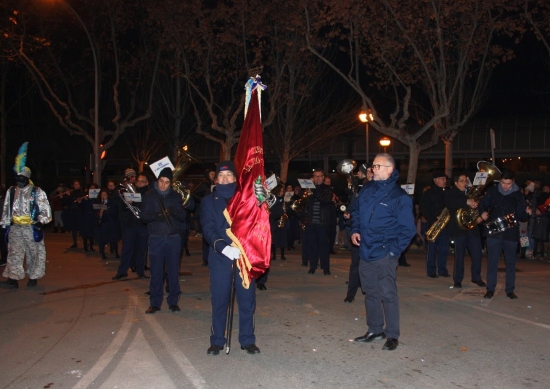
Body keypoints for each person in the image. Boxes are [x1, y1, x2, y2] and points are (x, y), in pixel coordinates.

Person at [350, 153, 415, 351]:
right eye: (373, 166)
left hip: (385, 253)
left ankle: (392, 334)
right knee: (370, 292)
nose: (372, 169)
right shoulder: (367, 189)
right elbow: (357, 212)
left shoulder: (399, 197)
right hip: (366, 251)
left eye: (377, 166)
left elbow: (408, 230)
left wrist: (393, 252)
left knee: (388, 294)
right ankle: (375, 329)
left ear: (389, 169)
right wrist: (355, 230)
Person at [200, 161, 260, 355]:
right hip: (220, 257)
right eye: (221, 176)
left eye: (229, 176)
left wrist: (266, 200)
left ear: (236, 178)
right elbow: (208, 228)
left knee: (246, 300)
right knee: (219, 301)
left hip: (244, 257)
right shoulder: (208, 201)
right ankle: (217, 340)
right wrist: (223, 247)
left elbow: (259, 224)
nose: (225, 179)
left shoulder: (246, 199)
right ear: (216, 179)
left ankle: (247, 339)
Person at [141, 167, 187, 313]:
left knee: (173, 272)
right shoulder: (150, 195)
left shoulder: (175, 196)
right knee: (156, 273)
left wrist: (174, 212)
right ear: (157, 180)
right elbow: (143, 217)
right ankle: (155, 303)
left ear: (170, 183)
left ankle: (173, 301)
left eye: (166, 182)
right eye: (161, 181)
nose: (163, 185)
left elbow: (183, 217)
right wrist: (156, 216)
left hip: (173, 238)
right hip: (156, 238)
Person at [478, 170, 530, 299]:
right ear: (500, 181)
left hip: (510, 232)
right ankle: (490, 289)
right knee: (492, 262)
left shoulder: (518, 195)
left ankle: (510, 290)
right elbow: (483, 204)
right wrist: (483, 212)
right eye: (503, 183)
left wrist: (526, 212)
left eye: (508, 184)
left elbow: (521, 215)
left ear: (513, 182)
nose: (505, 186)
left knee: (511, 262)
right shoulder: (493, 191)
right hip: (494, 231)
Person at [0, 165, 52, 289]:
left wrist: (41, 221)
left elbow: (46, 209)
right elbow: (7, 208)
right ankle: (13, 279)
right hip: (15, 227)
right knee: (14, 252)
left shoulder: (37, 191)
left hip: (30, 227)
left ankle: (33, 277)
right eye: (17, 178)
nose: (19, 180)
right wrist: (5, 223)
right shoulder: (11, 191)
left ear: (27, 178)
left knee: (34, 253)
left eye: (21, 178)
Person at [444, 173, 486, 288]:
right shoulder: (450, 193)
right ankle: (457, 280)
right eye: (462, 181)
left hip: (472, 228)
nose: (465, 183)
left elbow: (479, 206)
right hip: (459, 229)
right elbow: (450, 203)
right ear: (456, 183)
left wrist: (479, 211)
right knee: (459, 256)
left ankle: (476, 277)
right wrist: (466, 202)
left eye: (466, 181)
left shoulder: (470, 193)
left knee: (477, 254)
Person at [112, 173, 150, 280]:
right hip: (130, 224)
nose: (139, 183)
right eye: (138, 181)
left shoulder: (149, 193)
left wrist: (136, 202)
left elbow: (148, 207)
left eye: (142, 181)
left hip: (142, 225)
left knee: (141, 249)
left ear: (147, 183)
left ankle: (140, 271)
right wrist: (127, 203)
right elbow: (122, 206)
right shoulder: (132, 191)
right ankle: (122, 271)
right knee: (126, 249)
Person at [343, 163, 371, 303]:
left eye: (360, 172)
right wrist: (349, 212)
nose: (357, 174)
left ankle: (371, 290)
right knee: (355, 263)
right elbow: (355, 205)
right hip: (360, 230)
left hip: (372, 231)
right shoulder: (359, 188)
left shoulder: (374, 188)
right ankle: (351, 293)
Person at [420, 171, 451, 278]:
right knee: (432, 249)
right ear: (436, 180)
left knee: (444, 248)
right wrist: (433, 217)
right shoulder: (429, 193)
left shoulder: (447, 192)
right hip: (433, 224)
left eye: (445, 179)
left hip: (445, 225)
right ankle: (431, 271)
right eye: (442, 178)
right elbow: (423, 207)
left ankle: (442, 270)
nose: (445, 181)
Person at [305, 169, 333, 275]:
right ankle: (312, 266)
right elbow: (305, 203)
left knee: (323, 247)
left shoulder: (327, 189)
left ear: (323, 177)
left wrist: (314, 189)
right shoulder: (309, 189)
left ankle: (326, 268)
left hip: (323, 223)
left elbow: (325, 200)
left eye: (319, 176)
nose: (317, 178)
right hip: (311, 222)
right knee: (312, 246)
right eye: (315, 176)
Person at [96, 189, 122, 260]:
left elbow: (114, 212)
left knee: (113, 239)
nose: (103, 196)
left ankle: (116, 253)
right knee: (102, 239)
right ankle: (102, 253)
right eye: (102, 195)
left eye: (105, 195)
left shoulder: (111, 203)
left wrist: (106, 210)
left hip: (111, 223)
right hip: (103, 223)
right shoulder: (98, 203)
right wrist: (100, 212)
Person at [61, 180, 85, 249]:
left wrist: (70, 196)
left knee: (81, 228)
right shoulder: (71, 192)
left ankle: (85, 243)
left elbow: (77, 201)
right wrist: (63, 197)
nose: (76, 186)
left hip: (79, 211)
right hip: (72, 212)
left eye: (78, 184)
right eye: (75, 184)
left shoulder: (81, 192)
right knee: (73, 228)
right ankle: (75, 242)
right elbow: (65, 203)